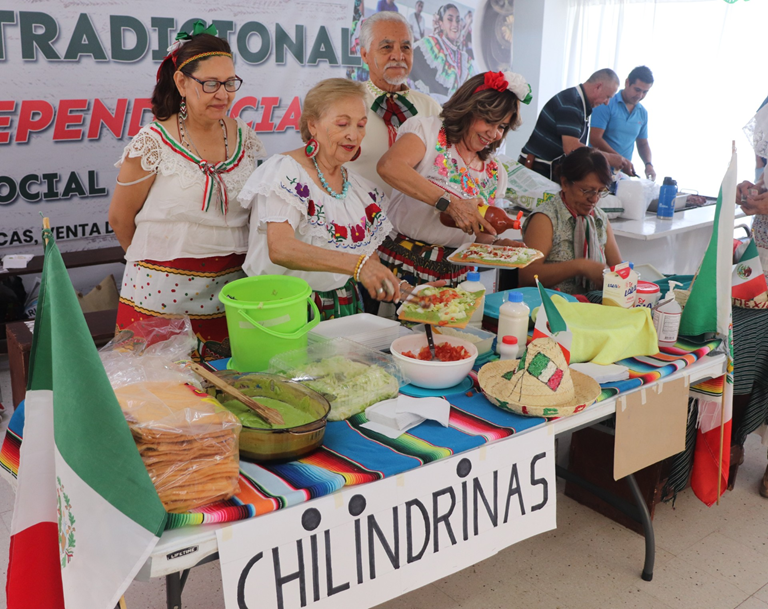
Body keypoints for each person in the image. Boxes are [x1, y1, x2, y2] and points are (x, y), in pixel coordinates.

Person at [108, 23, 265, 359]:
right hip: (160, 298)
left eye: (230, 83)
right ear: (181, 82)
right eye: (210, 84)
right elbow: (121, 218)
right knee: (162, 401)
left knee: (229, 395)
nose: (222, 94)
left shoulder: (245, 137)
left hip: (229, 295)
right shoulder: (153, 143)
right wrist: (157, 270)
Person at [239, 79, 402, 320]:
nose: (353, 135)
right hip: (286, 307)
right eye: (343, 124)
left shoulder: (360, 190)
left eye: (360, 125)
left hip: (346, 308)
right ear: (312, 125)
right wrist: (359, 266)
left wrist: (414, 294)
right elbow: (281, 248)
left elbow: (371, 262)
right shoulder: (286, 173)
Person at [377, 70, 530, 286]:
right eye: (489, 121)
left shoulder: (495, 171)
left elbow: (478, 233)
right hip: (402, 265)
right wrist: (449, 203)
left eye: (502, 127)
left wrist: (497, 244)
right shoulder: (428, 132)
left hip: (457, 276)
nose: (494, 134)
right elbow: (389, 166)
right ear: (468, 110)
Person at [351, 11, 442, 197]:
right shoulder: (346, 102)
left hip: (414, 224)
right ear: (365, 55)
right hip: (356, 221)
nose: (398, 56)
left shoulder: (431, 108)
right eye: (386, 47)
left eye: (406, 47)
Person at [520, 147, 622, 295]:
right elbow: (527, 276)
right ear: (565, 183)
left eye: (600, 191)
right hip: (550, 310)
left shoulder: (599, 219)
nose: (594, 199)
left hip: (588, 307)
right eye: (587, 190)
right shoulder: (546, 218)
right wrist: (578, 266)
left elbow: (619, 269)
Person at [519, 69, 631, 180]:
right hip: (536, 171)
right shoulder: (571, 103)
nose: (607, 103)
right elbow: (571, 147)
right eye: (607, 97)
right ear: (598, 87)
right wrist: (608, 158)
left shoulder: (578, 101)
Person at [590, 66, 656, 181]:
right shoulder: (606, 103)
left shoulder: (642, 113)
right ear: (627, 82)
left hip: (621, 175)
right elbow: (595, 139)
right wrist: (620, 159)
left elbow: (642, 143)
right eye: (637, 90)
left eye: (645, 92)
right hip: (597, 170)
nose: (640, 95)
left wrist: (648, 164)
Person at [410, 4, 474, 104]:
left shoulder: (464, 58)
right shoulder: (431, 44)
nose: (455, 24)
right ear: (441, 23)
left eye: (457, 20)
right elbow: (407, 59)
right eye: (450, 19)